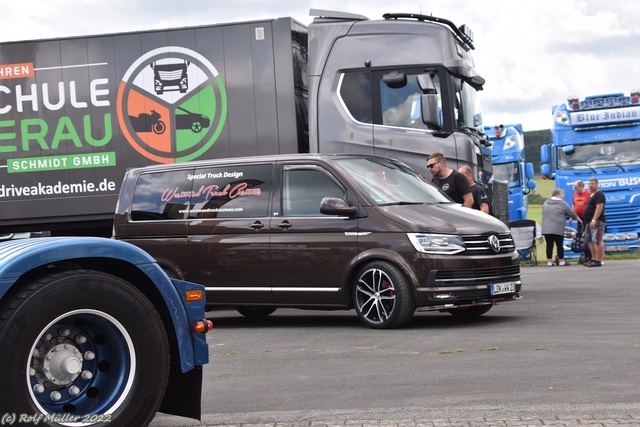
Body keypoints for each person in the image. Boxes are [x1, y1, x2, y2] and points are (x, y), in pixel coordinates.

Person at [542, 188, 581, 266]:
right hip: (557, 227)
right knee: (559, 244)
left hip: (546, 228)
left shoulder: (546, 202)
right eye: (562, 194)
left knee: (549, 245)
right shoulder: (562, 203)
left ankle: (549, 261)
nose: (563, 195)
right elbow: (571, 212)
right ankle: (561, 261)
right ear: (558, 195)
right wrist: (578, 219)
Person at [582, 177, 606, 267]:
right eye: (590, 184)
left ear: (597, 184)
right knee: (589, 240)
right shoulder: (591, 194)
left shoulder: (599, 195)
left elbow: (599, 208)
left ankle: (599, 260)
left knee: (597, 240)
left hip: (597, 221)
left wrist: (594, 220)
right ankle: (593, 258)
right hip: (588, 221)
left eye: (593, 183)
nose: (591, 185)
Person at [571, 179, 591, 262]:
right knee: (580, 237)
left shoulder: (588, 194)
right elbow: (574, 205)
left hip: (587, 219)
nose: (575, 189)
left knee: (588, 237)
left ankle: (589, 255)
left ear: (581, 186)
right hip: (579, 219)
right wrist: (572, 216)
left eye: (576, 187)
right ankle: (583, 254)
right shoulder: (575, 194)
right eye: (574, 188)